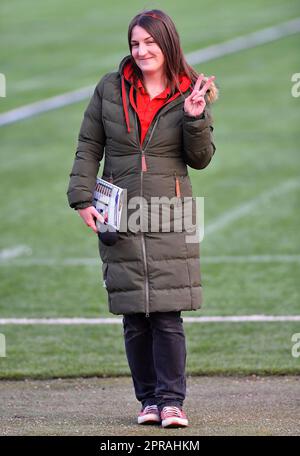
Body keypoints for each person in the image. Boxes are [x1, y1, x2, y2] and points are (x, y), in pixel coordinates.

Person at [67, 8, 218, 428]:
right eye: (135, 43)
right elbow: (88, 146)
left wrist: (195, 118)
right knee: (135, 315)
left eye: (150, 42)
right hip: (120, 211)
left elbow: (201, 160)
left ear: (167, 43)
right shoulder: (109, 89)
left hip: (170, 213)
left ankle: (172, 402)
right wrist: (82, 198)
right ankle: (148, 401)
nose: (142, 50)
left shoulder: (190, 90)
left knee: (167, 314)